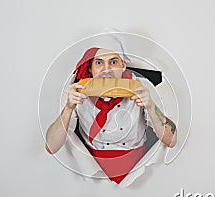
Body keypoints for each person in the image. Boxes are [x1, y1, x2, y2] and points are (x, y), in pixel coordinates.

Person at [45, 47, 177, 184]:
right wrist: (68, 108)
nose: (106, 69)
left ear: (123, 66)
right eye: (99, 63)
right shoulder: (75, 91)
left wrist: (150, 106)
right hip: (93, 169)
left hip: (138, 166)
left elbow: (171, 141)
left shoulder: (142, 87)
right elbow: (51, 147)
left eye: (113, 62)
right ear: (90, 68)